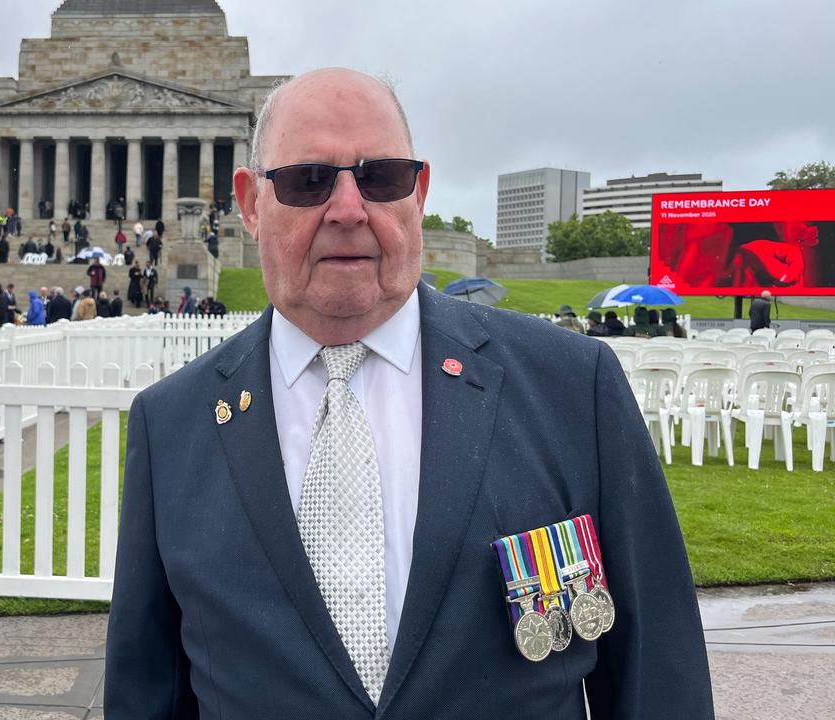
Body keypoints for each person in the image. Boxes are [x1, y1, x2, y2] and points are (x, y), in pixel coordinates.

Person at [105, 68, 713, 717]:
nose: (347, 209)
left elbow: (658, 675)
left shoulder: (570, 387)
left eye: (381, 177)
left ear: (418, 191)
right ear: (252, 203)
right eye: (309, 180)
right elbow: (148, 692)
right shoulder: (173, 424)